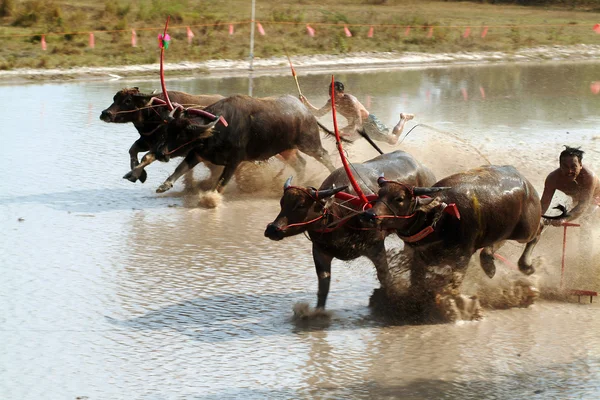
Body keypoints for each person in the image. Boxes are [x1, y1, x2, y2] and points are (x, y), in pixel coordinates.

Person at [299, 81, 414, 145]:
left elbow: (358, 124)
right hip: (354, 127)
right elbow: (319, 113)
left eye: (334, 93)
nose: (331, 95)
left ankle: (403, 118)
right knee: (343, 144)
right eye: (329, 93)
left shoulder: (351, 101)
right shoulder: (331, 102)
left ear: (341, 93)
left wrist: (340, 131)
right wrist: (306, 103)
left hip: (368, 123)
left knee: (392, 140)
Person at [540, 146, 600, 226]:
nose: (569, 171)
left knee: (585, 220)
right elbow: (544, 204)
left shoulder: (588, 177)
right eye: (565, 167)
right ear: (560, 165)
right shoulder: (553, 179)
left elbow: (583, 205)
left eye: (573, 167)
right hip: (577, 202)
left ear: (580, 165)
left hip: (595, 200)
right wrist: (538, 218)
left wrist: (564, 218)